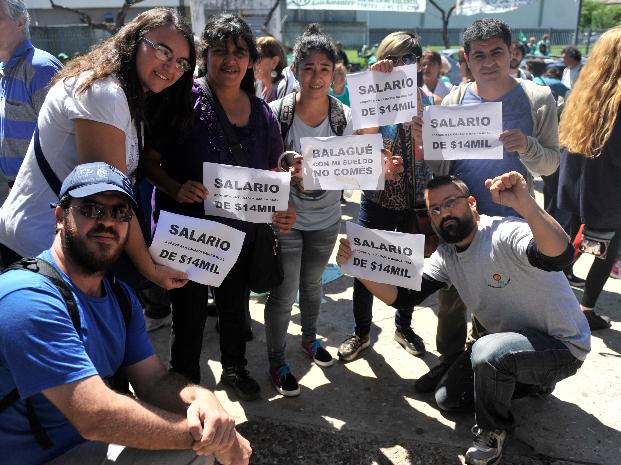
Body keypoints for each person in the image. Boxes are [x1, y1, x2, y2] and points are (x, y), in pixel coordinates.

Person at [0, 162, 251, 465]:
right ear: (60, 217)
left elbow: (153, 381)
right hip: (36, 456)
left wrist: (203, 399)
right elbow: (94, 415)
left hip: (84, 447)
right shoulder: (26, 297)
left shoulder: (119, 296)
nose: (107, 221)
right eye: (91, 208)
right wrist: (214, 439)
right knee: (195, 451)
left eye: (120, 212)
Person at [336, 171, 590, 465]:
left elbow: (559, 256)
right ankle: (531, 383)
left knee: (487, 352)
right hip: (509, 345)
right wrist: (357, 267)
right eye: (435, 209)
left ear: (472, 203)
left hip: (561, 348)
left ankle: (493, 431)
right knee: (447, 399)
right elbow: (403, 297)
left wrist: (526, 205)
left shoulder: (504, 232)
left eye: (450, 203)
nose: (443, 213)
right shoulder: (447, 256)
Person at [144, 13, 296, 400]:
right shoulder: (180, 100)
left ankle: (234, 368)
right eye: (220, 51)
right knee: (188, 312)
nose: (230, 60)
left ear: (251, 61)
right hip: (188, 233)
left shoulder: (263, 114)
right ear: (205, 55)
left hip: (239, 234)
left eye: (239, 52)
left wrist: (282, 207)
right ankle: (185, 382)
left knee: (234, 308)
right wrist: (176, 187)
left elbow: (272, 173)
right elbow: (148, 160)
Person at [0, 8, 192, 301]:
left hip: (65, 248)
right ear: (134, 40)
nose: (171, 66)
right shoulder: (104, 92)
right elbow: (110, 196)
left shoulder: (126, 94)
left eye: (181, 61)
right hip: (39, 248)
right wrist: (150, 269)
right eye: (163, 50)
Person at [412, 18, 561, 394]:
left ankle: (487, 366)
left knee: (500, 299)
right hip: (459, 220)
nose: (489, 61)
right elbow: (440, 167)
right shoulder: (455, 99)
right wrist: (428, 142)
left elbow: (550, 164)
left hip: (509, 224)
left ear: (512, 52)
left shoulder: (537, 98)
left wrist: (527, 146)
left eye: (497, 52)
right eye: (479, 55)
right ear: (467, 59)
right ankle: (449, 361)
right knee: (451, 299)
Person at [263, 24, 403, 397]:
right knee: (284, 293)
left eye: (324, 68)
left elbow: (368, 151)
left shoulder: (344, 115)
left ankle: (310, 339)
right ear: (295, 71)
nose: (316, 76)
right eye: (308, 68)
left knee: (312, 286)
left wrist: (383, 166)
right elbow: (260, 166)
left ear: (333, 72)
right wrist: (283, 168)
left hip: (326, 220)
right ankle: (276, 361)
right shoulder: (276, 114)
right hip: (286, 220)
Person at [337, 31, 432, 363]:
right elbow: (363, 142)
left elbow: (434, 154)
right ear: (381, 60)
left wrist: (424, 133)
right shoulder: (370, 94)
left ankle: (403, 327)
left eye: (410, 58)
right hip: (377, 199)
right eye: (394, 58)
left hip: (413, 201)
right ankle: (361, 332)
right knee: (364, 265)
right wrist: (374, 88)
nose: (402, 65)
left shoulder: (428, 100)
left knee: (408, 267)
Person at [558, 27, 621, 331]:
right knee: (604, 251)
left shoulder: (587, 89)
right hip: (607, 191)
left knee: (577, 245)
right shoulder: (617, 98)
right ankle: (586, 309)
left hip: (579, 186)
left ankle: (553, 296)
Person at [0, 0, 62, 204]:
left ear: (21, 22)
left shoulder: (41, 68)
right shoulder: (6, 69)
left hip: (42, 194)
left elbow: (64, 137)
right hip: (17, 191)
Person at [254, 35, 287, 103]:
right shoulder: (259, 86)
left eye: (258, 57)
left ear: (274, 62)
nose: (254, 63)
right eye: (253, 57)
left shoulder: (284, 90)